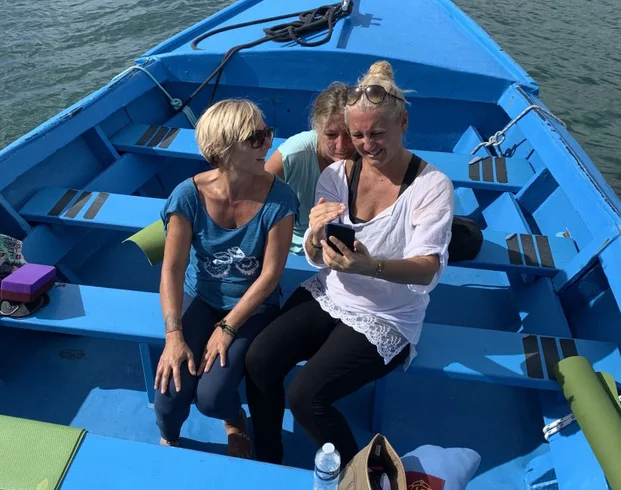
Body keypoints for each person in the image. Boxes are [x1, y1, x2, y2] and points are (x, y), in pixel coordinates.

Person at [244, 61, 455, 467]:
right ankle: (267, 456)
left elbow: (428, 267)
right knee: (258, 360)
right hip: (333, 294)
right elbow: (318, 254)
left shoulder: (432, 186)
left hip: (388, 314)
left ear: (403, 123)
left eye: (377, 133)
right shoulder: (338, 174)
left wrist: (370, 267)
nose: (366, 145)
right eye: (358, 135)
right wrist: (315, 237)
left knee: (306, 396)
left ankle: (360, 475)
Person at [153, 99, 299, 459]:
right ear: (223, 148)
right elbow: (172, 269)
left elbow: (270, 276)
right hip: (200, 297)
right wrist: (174, 336)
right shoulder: (188, 197)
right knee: (169, 397)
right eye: (256, 138)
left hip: (253, 305)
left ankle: (235, 420)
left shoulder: (280, 199)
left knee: (212, 397)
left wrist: (228, 327)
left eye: (267, 133)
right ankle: (170, 438)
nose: (269, 143)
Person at [265, 82, 355, 254]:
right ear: (317, 129)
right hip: (293, 249)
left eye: (350, 134)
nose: (341, 145)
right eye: (331, 135)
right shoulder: (294, 153)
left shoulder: (368, 155)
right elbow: (254, 195)